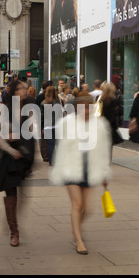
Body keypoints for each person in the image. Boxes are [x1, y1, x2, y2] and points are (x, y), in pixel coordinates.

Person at [50, 91, 112, 255]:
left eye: (89, 107)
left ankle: (76, 227)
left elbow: (104, 150)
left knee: (88, 209)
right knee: (77, 205)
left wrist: (104, 172)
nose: (86, 111)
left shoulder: (100, 125)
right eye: (83, 108)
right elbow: (62, 148)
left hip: (90, 169)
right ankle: (79, 240)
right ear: (76, 108)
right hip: (71, 168)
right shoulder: (66, 123)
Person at [0, 79, 35, 247]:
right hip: (9, 158)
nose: (24, 92)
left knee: (24, 197)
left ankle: (11, 219)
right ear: (12, 91)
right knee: (12, 196)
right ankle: (14, 231)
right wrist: (11, 148)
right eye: (20, 89)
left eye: (25, 89)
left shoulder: (29, 108)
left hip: (25, 157)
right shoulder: (2, 110)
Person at [99, 82, 123, 156]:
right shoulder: (115, 101)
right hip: (111, 125)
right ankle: (107, 160)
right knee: (109, 145)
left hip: (101, 125)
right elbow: (119, 113)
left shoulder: (100, 100)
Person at [40, 86, 62, 166]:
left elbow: (42, 117)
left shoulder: (43, 103)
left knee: (50, 144)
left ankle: (51, 161)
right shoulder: (58, 102)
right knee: (58, 143)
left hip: (47, 126)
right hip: (57, 125)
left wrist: (42, 127)